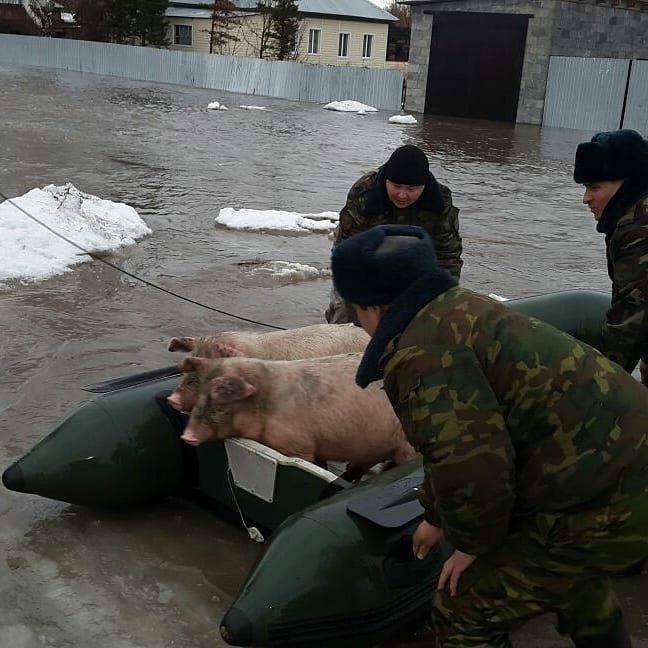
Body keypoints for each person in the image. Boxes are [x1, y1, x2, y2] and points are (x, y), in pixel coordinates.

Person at [330, 224, 648, 648]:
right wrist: (435, 515)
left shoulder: (420, 355)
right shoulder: (457, 308)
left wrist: (471, 545)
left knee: (464, 607)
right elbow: (468, 447)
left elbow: (474, 469)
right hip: (610, 472)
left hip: (607, 490)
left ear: (371, 307)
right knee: (569, 572)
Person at [325, 144, 462, 324]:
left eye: (411, 189)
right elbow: (348, 251)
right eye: (396, 186)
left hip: (413, 254)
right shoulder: (364, 192)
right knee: (347, 314)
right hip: (365, 249)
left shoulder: (439, 201)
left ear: (424, 186)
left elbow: (448, 256)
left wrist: (441, 297)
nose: (402, 195)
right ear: (386, 181)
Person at [574, 129, 648, 384]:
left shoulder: (637, 228)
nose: (586, 198)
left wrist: (596, 389)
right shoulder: (633, 216)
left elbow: (630, 322)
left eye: (595, 187)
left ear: (627, 183)